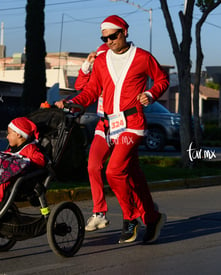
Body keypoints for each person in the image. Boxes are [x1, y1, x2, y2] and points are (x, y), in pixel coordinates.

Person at [56, 15, 169, 244]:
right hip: (107, 125)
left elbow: (162, 80)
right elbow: (90, 90)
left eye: (113, 36)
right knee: (126, 173)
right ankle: (153, 217)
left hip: (132, 125)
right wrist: (72, 102)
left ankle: (131, 219)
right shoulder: (101, 60)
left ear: (124, 32)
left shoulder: (143, 57)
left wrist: (150, 94)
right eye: (104, 38)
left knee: (114, 171)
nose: (109, 41)